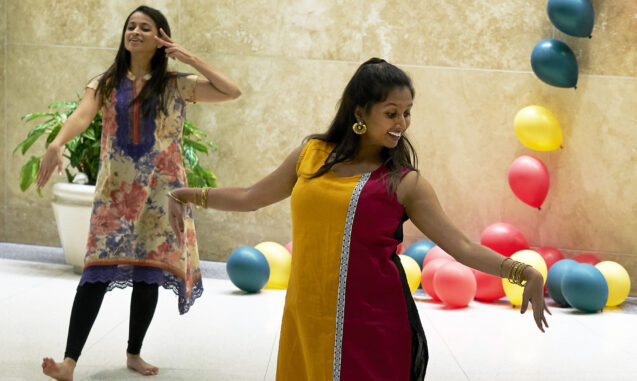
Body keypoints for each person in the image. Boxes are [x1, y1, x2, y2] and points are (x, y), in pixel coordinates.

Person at [168, 58, 549, 380]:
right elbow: (251, 197)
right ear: (360, 112)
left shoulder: (404, 183)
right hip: (307, 316)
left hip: (373, 326)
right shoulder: (312, 155)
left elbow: (461, 247)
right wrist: (191, 196)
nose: (402, 122)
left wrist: (523, 272)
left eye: (407, 112)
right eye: (391, 113)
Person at [38, 6, 242, 380]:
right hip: (115, 194)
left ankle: (133, 353)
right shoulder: (105, 82)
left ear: (160, 36)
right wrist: (57, 144)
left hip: (162, 194)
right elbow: (82, 115)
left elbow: (232, 91)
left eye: (144, 28)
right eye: (130, 26)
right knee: (94, 275)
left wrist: (188, 56)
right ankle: (69, 363)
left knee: (147, 275)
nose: (134, 32)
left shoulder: (176, 84)